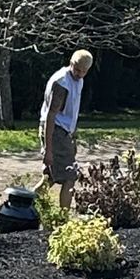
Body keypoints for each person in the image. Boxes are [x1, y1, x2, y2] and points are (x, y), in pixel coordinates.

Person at [39, 47, 93, 213]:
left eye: (84, 72)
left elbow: (72, 110)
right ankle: (63, 219)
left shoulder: (79, 80)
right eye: (77, 70)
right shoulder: (62, 83)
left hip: (65, 132)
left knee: (51, 178)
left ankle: (27, 204)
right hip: (55, 131)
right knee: (70, 176)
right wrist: (48, 150)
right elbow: (51, 115)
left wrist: (73, 135)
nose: (80, 74)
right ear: (71, 63)